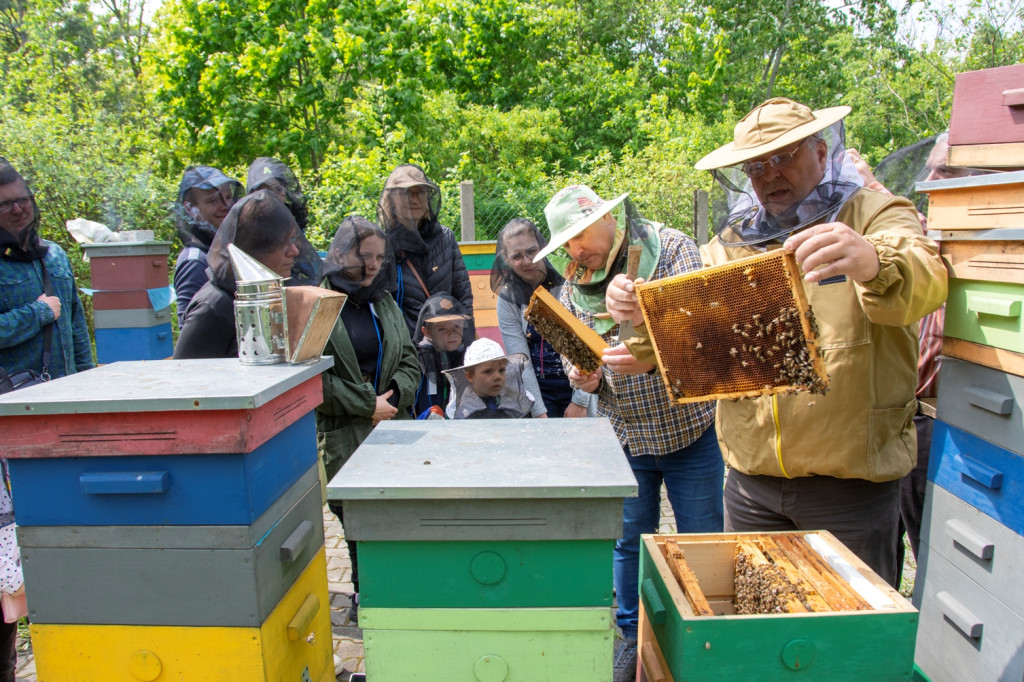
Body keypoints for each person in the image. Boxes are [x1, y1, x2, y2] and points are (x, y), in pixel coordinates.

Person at [606, 97, 948, 590]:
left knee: (846, 645)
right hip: (751, 485)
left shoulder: (875, 213)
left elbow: (926, 280)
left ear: (821, 152)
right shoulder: (730, 244)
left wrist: (870, 259)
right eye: (756, 166)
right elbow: (679, 338)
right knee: (759, 637)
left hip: (849, 487)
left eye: (784, 156)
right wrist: (635, 314)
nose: (769, 175)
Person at [535, 184, 723, 682]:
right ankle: (628, 640)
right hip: (624, 437)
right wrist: (582, 376)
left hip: (689, 431)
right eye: (566, 245)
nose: (576, 253)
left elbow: (703, 326)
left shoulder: (675, 249)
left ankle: (702, 637)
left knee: (702, 542)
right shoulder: (572, 285)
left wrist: (647, 324)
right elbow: (575, 353)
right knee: (628, 543)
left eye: (579, 237)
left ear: (608, 219)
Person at [848, 132, 979, 587]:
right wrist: (867, 183)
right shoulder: (921, 230)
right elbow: (906, 235)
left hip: (954, 425)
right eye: (935, 168)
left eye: (948, 171)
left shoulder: (983, 246)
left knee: (939, 558)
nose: (933, 178)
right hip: (908, 419)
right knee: (889, 548)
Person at [316, 215, 420, 620]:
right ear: (340, 254)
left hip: (393, 430)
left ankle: (398, 592)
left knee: (397, 515)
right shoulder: (319, 303)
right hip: (345, 435)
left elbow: (410, 357)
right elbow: (314, 380)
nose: (374, 265)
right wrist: (366, 404)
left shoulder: (384, 301)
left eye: (379, 256)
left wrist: (393, 396)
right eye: (365, 256)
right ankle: (367, 600)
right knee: (355, 523)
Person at [173, 190, 321, 359]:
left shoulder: (268, 295)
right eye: (281, 244)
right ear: (253, 249)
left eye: (292, 240)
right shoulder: (214, 307)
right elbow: (183, 375)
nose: (294, 251)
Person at [491, 218, 595, 418]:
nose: (527, 261)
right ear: (506, 258)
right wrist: (539, 412)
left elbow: (589, 344)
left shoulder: (570, 283)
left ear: (543, 247)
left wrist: (580, 401)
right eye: (517, 256)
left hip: (578, 385)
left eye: (531, 251)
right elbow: (520, 361)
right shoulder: (507, 299)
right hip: (536, 391)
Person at [0, 158, 93, 383]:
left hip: (67, 395)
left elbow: (76, 326)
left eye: (23, 200)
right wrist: (38, 313)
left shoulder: (54, 254)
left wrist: (88, 378)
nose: (18, 209)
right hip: (14, 408)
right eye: (5, 204)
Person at [376, 164, 474, 338]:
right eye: (407, 193)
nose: (414, 200)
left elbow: (463, 295)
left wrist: (465, 338)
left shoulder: (445, 238)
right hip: (406, 350)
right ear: (391, 199)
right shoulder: (381, 244)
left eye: (420, 192)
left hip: (447, 346)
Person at [172, 165, 243, 325]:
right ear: (190, 208)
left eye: (228, 197)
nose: (225, 206)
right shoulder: (194, 261)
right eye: (212, 200)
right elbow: (190, 332)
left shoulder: (221, 249)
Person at [412, 293, 474, 418]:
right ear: (426, 332)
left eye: (456, 326)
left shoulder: (470, 357)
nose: (451, 333)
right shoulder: (418, 361)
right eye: (441, 329)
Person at [442, 337, 534, 419]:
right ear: (470, 376)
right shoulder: (465, 410)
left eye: (501, 370)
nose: (497, 377)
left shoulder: (511, 401)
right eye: (488, 371)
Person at [246, 157, 310, 233]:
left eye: (278, 189)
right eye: (266, 192)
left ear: (285, 189)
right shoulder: (250, 232)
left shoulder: (293, 219)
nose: (274, 196)